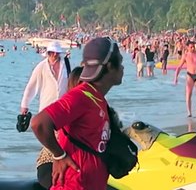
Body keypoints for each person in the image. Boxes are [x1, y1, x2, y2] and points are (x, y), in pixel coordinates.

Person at [31, 37, 124, 190]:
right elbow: (39, 123)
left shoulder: (97, 98)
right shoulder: (81, 96)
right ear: (109, 66)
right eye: (119, 62)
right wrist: (59, 155)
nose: (123, 68)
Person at [36, 66, 84, 190]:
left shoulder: (95, 104)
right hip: (52, 162)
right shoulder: (70, 105)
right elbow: (38, 124)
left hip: (74, 162)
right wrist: (59, 155)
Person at [20, 41, 69, 115]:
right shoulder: (41, 66)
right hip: (46, 106)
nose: (55, 54)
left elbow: (72, 83)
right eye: (52, 52)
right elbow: (31, 86)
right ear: (48, 53)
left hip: (63, 107)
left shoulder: (66, 65)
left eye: (57, 52)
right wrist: (25, 105)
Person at [173, 41, 196, 118]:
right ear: (187, 47)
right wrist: (175, 77)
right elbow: (179, 67)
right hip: (190, 75)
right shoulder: (185, 55)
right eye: (191, 47)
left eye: (193, 46)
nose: (193, 48)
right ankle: (189, 113)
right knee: (188, 94)